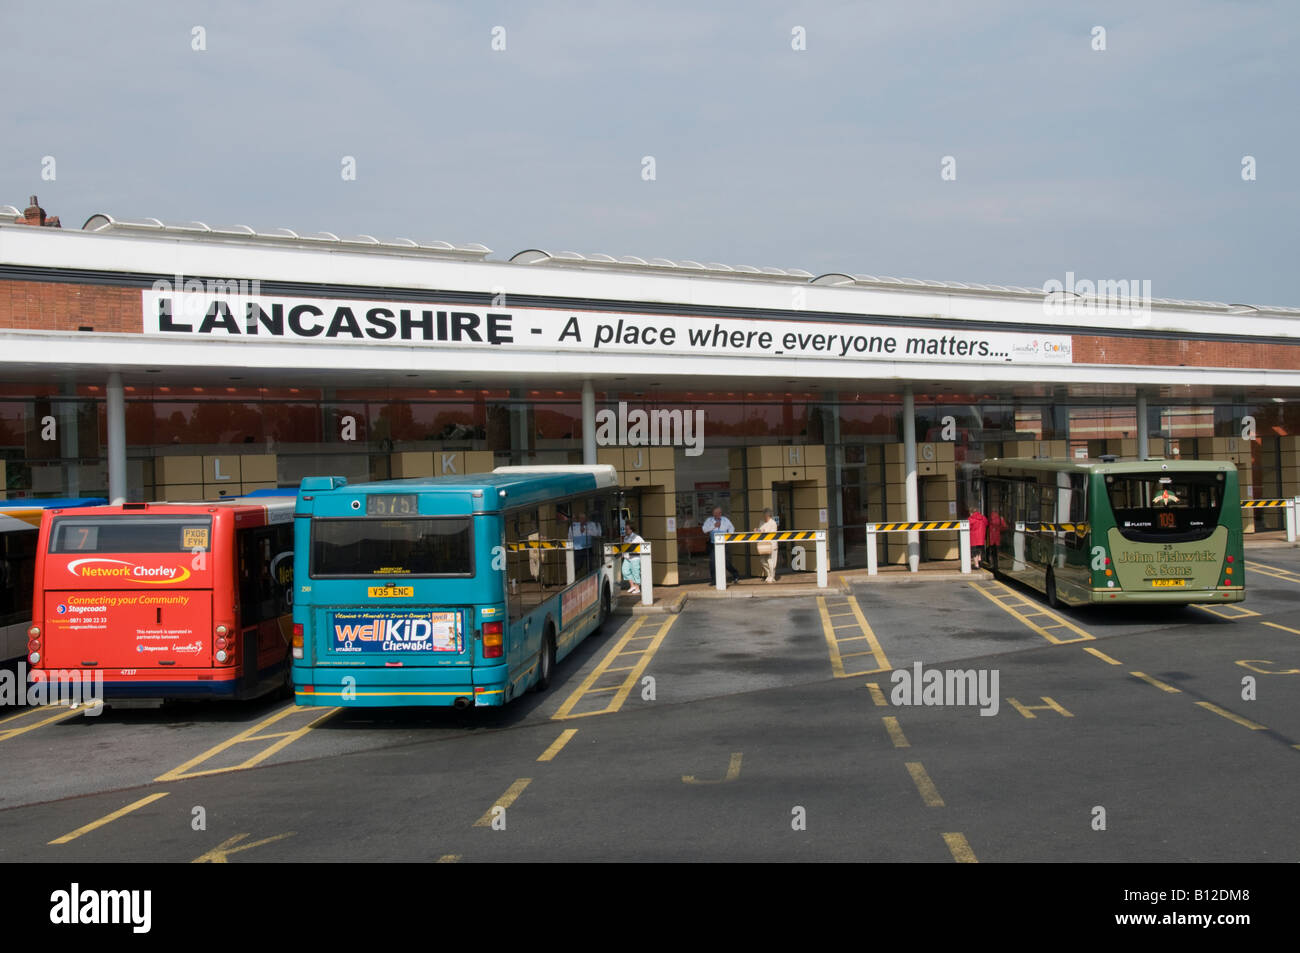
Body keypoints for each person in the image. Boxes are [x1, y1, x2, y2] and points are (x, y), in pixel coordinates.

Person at [701, 506, 741, 585]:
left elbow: (732, 528)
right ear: (713, 513)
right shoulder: (709, 520)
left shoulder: (725, 520)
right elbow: (704, 530)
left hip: (724, 544)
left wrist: (729, 536)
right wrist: (714, 526)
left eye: (719, 513)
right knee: (712, 562)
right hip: (713, 544)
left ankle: (735, 575)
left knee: (726, 562)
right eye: (716, 513)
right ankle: (714, 580)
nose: (718, 514)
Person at [563, 510, 601, 576]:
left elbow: (597, 534)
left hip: (588, 548)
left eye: (583, 518)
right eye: (580, 518)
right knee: (577, 566)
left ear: (586, 518)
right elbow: (570, 538)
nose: (582, 519)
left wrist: (586, 530)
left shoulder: (591, 524)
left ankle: (590, 578)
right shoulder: (573, 526)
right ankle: (573, 579)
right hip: (577, 550)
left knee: (590, 566)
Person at [754, 507, 779, 583]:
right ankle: (769, 574)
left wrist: (762, 531)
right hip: (763, 545)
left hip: (772, 545)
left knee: (771, 561)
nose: (764, 517)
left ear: (769, 515)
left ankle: (772, 577)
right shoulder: (762, 522)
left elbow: (771, 533)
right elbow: (759, 530)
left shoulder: (773, 523)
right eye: (764, 515)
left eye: (766, 515)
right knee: (763, 561)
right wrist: (757, 530)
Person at [621, 523, 645, 595]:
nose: (626, 530)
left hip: (635, 558)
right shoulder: (625, 538)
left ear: (631, 529)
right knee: (624, 571)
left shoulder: (637, 537)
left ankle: (637, 588)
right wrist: (623, 554)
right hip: (627, 557)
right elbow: (624, 547)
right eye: (625, 529)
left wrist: (638, 551)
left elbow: (644, 545)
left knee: (635, 573)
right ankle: (632, 586)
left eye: (627, 529)